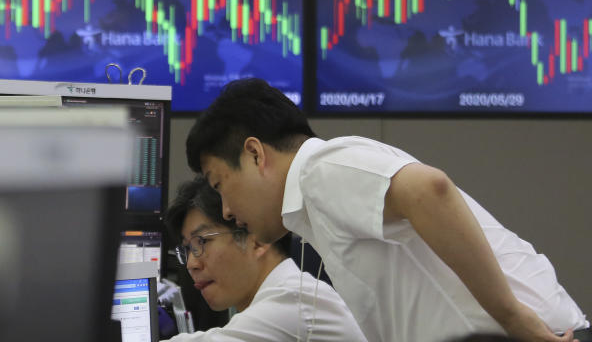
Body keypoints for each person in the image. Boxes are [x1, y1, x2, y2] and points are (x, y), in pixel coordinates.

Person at [186, 78, 589, 342]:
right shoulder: (316, 198)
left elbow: (430, 190)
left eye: (220, 185)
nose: (227, 210)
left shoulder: (320, 170)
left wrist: (515, 319)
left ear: (255, 154)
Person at [163, 176, 367, 341]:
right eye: (187, 249)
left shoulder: (293, 298)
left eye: (202, 242)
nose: (191, 264)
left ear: (258, 240)